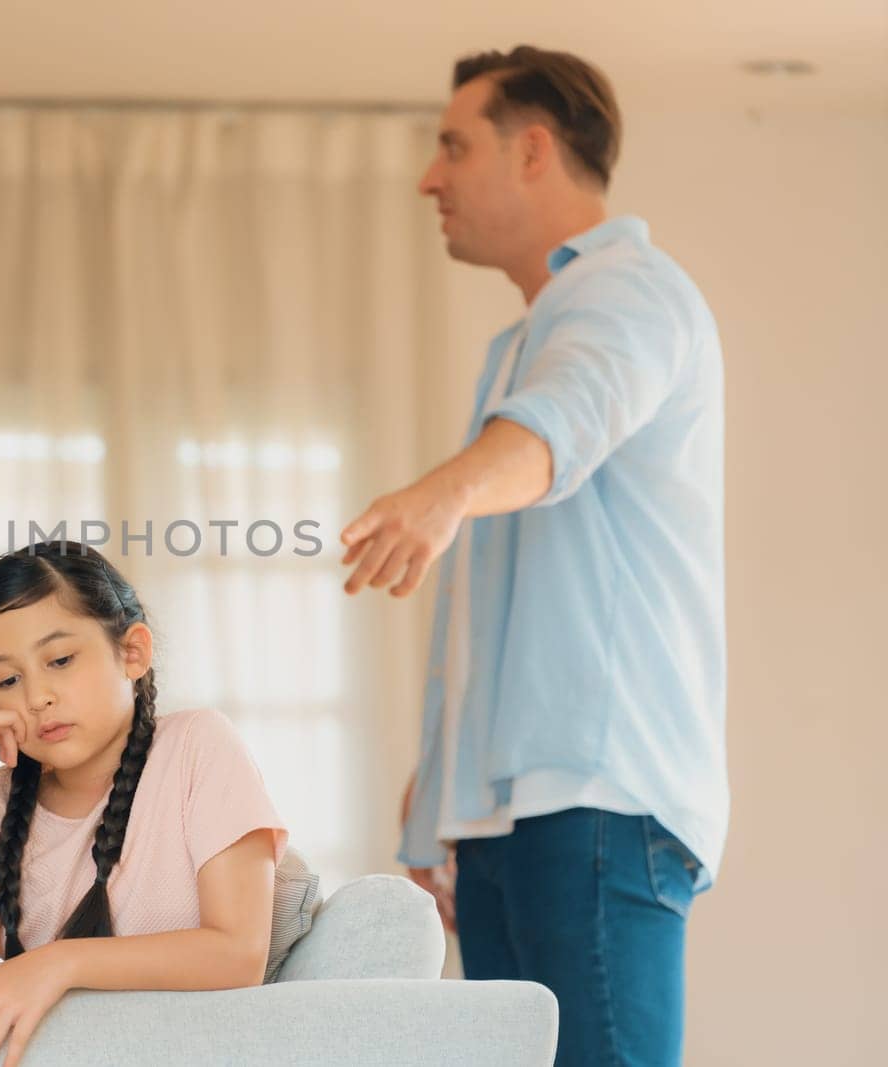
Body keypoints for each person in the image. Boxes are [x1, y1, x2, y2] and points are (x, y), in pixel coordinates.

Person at [339, 47, 726, 1067]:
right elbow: (520, 595)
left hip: (594, 799)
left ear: (534, 152)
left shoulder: (628, 293)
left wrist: (440, 492)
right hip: (512, 814)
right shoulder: (519, 343)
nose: (431, 177)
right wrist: (446, 786)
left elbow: (560, 427)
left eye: (453, 146)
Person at [0, 541, 287, 1067]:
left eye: (59, 660)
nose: (37, 697)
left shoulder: (197, 745)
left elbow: (238, 954)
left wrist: (58, 963)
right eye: (8, 680)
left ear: (133, 653)